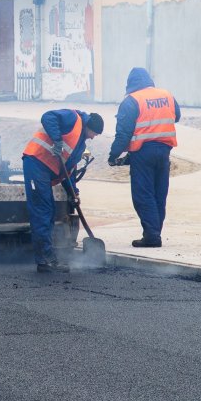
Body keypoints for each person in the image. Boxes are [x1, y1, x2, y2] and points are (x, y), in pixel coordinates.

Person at [20, 109, 105, 273]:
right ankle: (45, 259)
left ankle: (47, 257)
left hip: (45, 169)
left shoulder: (80, 146)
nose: (93, 137)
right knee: (42, 210)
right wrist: (57, 140)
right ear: (89, 126)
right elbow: (47, 116)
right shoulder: (73, 118)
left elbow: (69, 172)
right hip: (36, 162)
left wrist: (74, 193)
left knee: (49, 210)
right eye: (94, 133)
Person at [109, 67, 180, 248]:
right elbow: (177, 116)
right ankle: (155, 232)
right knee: (159, 193)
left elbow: (123, 133)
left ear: (130, 83)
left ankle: (152, 236)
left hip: (143, 153)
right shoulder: (167, 95)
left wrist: (114, 155)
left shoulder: (131, 101)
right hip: (164, 150)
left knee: (143, 194)